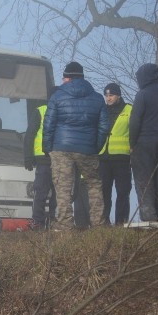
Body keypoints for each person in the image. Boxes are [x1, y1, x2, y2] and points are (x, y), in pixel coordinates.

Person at [42, 61, 109, 229]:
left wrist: (48, 148)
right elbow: (103, 127)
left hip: (61, 149)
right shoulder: (97, 98)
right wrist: (95, 146)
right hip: (87, 149)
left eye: (64, 77)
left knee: (63, 187)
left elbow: (48, 125)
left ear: (68, 78)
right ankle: (98, 225)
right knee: (94, 185)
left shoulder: (57, 96)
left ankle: (65, 224)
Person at [129, 63, 158, 222]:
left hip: (144, 144)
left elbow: (135, 121)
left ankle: (149, 218)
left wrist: (132, 143)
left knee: (144, 181)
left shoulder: (142, 94)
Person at [97, 83, 132, 225]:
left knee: (123, 191)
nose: (108, 98)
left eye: (111, 95)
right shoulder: (102, 110)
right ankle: (104, 222)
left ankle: (121, 223)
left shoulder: (129, 110)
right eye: (106, 95)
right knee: (104, 191)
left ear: (118, 95)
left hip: (122, 157)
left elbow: (135, 131)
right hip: (104, 157)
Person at [23, 97, 57, 229]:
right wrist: (28, 156)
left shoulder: (63, 112)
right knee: (42, 192)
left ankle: (50, 221)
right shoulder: (41, 111)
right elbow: (30, 135)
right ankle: (39, 221)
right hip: (45, 159)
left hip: (58, 159)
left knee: (57, 193)